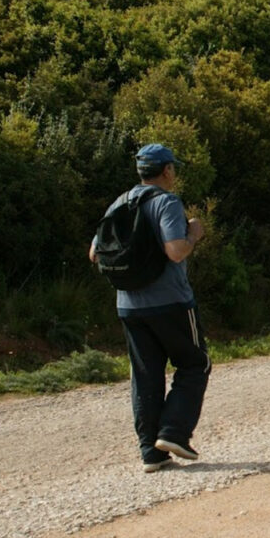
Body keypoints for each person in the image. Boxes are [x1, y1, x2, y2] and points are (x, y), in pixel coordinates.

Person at [88, 144, 209, 473]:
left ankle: (150, 452)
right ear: (167, 170)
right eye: (174, 168)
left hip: (128, 304)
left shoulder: (119, 202)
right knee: (195, 364)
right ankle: (174, 432)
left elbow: (94, 254)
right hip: (170, 301)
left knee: (145, 375)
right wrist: (194, 234)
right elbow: (175, 251)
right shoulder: (166, 202)